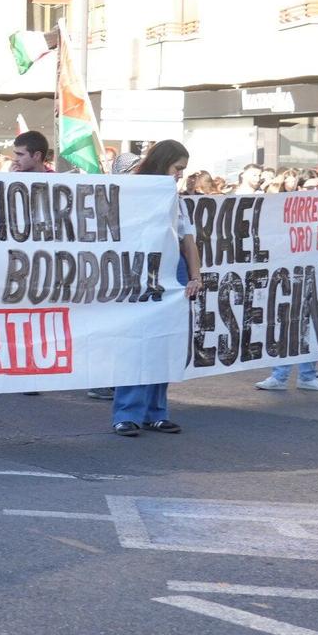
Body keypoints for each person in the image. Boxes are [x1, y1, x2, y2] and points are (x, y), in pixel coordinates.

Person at [111, 140, 203, 436]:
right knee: (136, 343)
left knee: (163, 343)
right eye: (178, 168)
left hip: (171, 270)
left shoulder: (174, 198)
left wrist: (195, 276)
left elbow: (188, 239)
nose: (180, 175)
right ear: (163, 162)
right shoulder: (133, 190)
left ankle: (155, 411)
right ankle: (127, 412)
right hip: (138, 270)